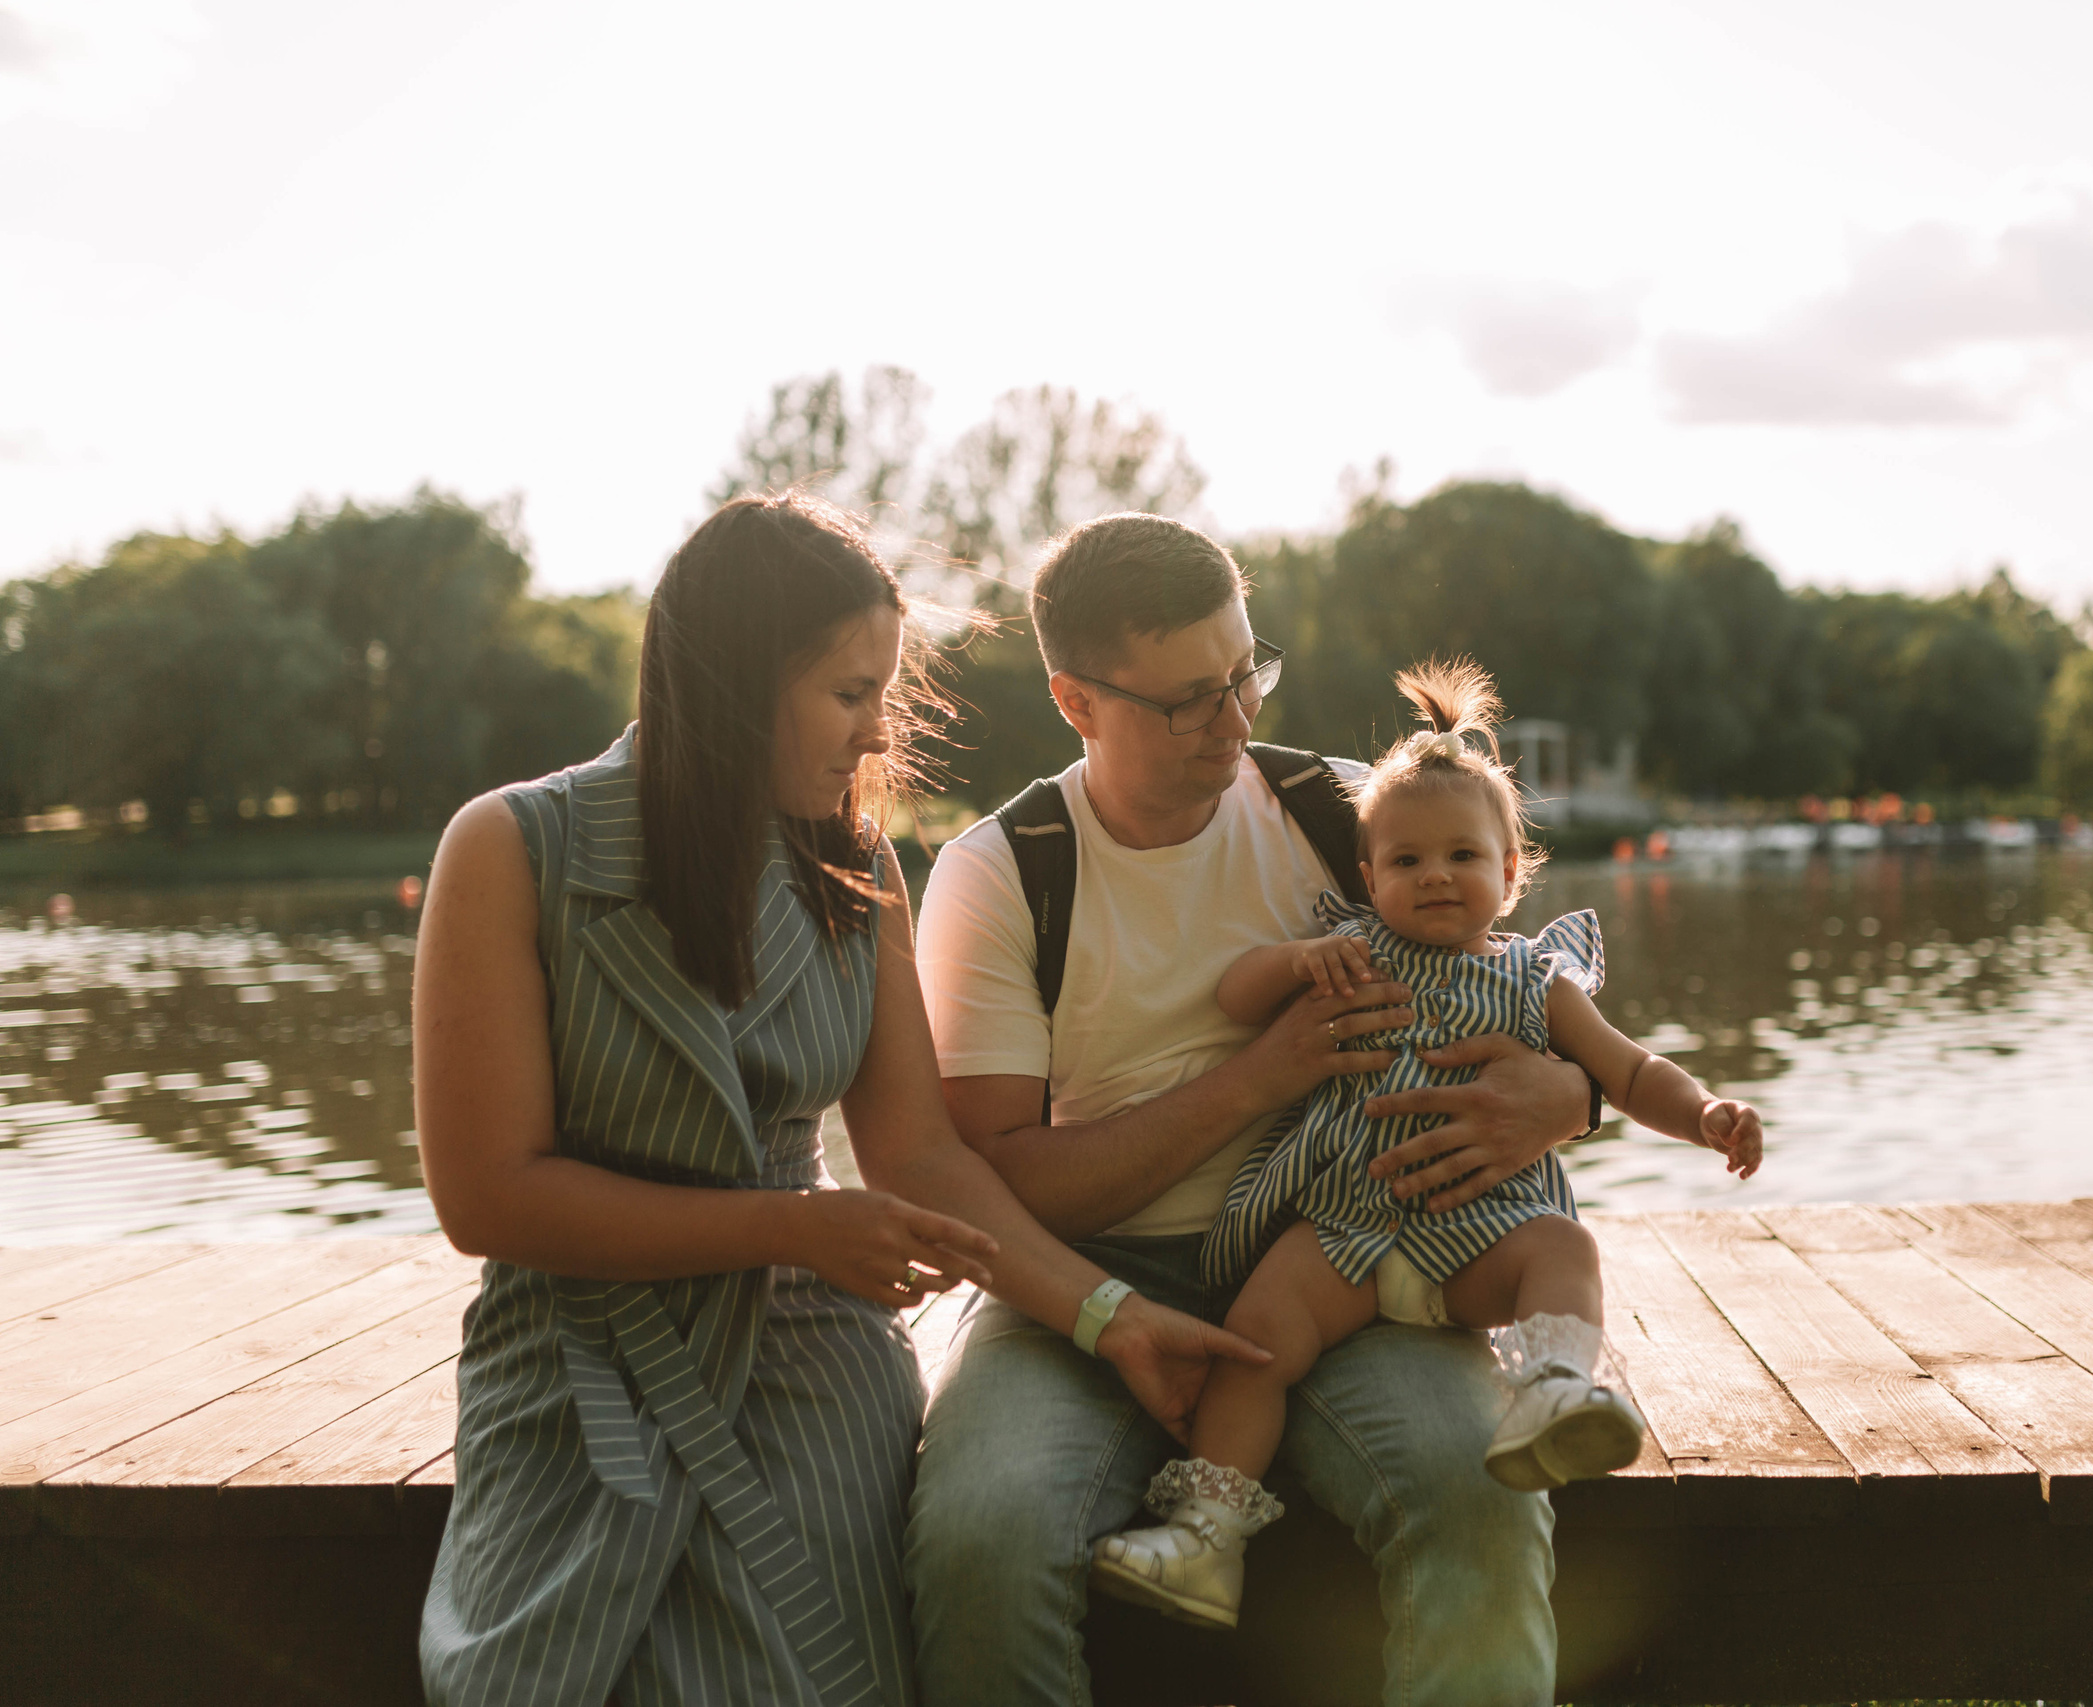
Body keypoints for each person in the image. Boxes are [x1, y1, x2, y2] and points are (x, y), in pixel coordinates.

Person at [411, 494, 1265, 1707]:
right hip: (576, 1361)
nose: (876, 738)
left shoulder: (852, 867)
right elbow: (486, 1196)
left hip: (804, 1365)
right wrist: (797, 1228)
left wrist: (1108, 1316)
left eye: (885, 694)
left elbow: (918, 1154)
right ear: (733, 681)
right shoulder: (510, 847)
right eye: (850, 694)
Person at [906, 512, 1603, 1706]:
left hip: (1348, 1263)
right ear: (1076, 702)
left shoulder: (1341, 816)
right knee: (981, 1538)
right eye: (1187, 701)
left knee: (1481, 1498)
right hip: (1081, 1290)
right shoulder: (999, 873)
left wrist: (1574, 1096)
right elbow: (1001, 1182)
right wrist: (1264, 1073)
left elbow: (1528, 984)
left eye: (1244, 678)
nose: (1234, 724)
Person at [1090, 659, 1764, 1629]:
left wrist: (1703, 1114)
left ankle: (1551, 1389)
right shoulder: (1351, 949)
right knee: (1251, 1344)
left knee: (1565, 1248)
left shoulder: (1541, 981)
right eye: (1406, 862)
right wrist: (1293, 960)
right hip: (1344, 1230)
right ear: (1368, 878)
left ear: (1511, 870)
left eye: (1462, 856)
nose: (1435, 875)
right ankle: (1205, 1536)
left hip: (1480, 1238)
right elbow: (1235, 996)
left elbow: (1627, 1072)